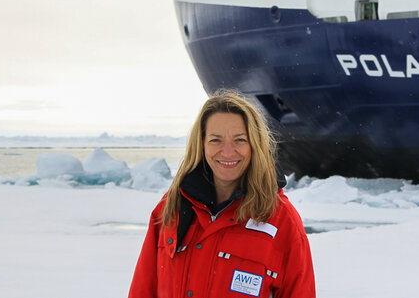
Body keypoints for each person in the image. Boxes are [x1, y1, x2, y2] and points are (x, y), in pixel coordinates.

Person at [129, 89, 315, 298]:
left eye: (240, 140)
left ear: (255, 144)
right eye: (215, 140)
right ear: (201, 144)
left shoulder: (281, 220)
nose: (227, 152)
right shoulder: (169, 209)